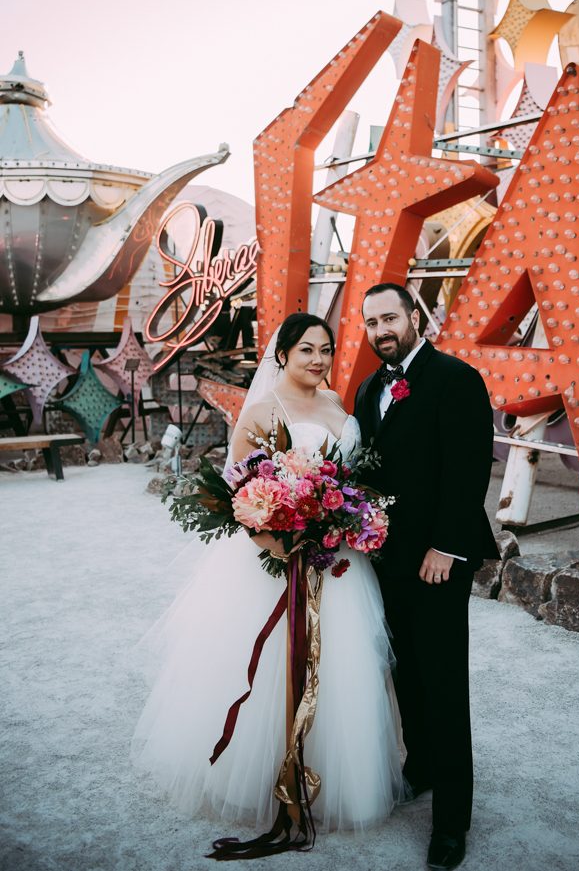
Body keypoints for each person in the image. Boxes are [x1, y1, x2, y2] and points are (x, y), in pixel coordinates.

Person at [132, 312, 402, 836]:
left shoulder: (336, 405)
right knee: (273, 665)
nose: (318, 360)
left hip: (339, 563)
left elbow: (351, 478)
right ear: (282, 354)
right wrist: (281, 534)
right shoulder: (261, 411)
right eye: (306, 350)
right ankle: (262, 781)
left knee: (342, 667)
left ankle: (332, 778)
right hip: (275, 564)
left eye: (325, 350)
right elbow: (241, 495)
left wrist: (348, 515)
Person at [354, 283, 499, 871]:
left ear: (415, 315)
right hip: (384, 558)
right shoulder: (368, 389)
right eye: (370, 322)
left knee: (442, 684)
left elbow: (468, 470)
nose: (380, 329)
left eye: (390, 317)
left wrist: (445, 545)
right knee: (403, 672)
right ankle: (422, 767)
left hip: (438, 561)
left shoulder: (456, 378)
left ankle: (451, 824)